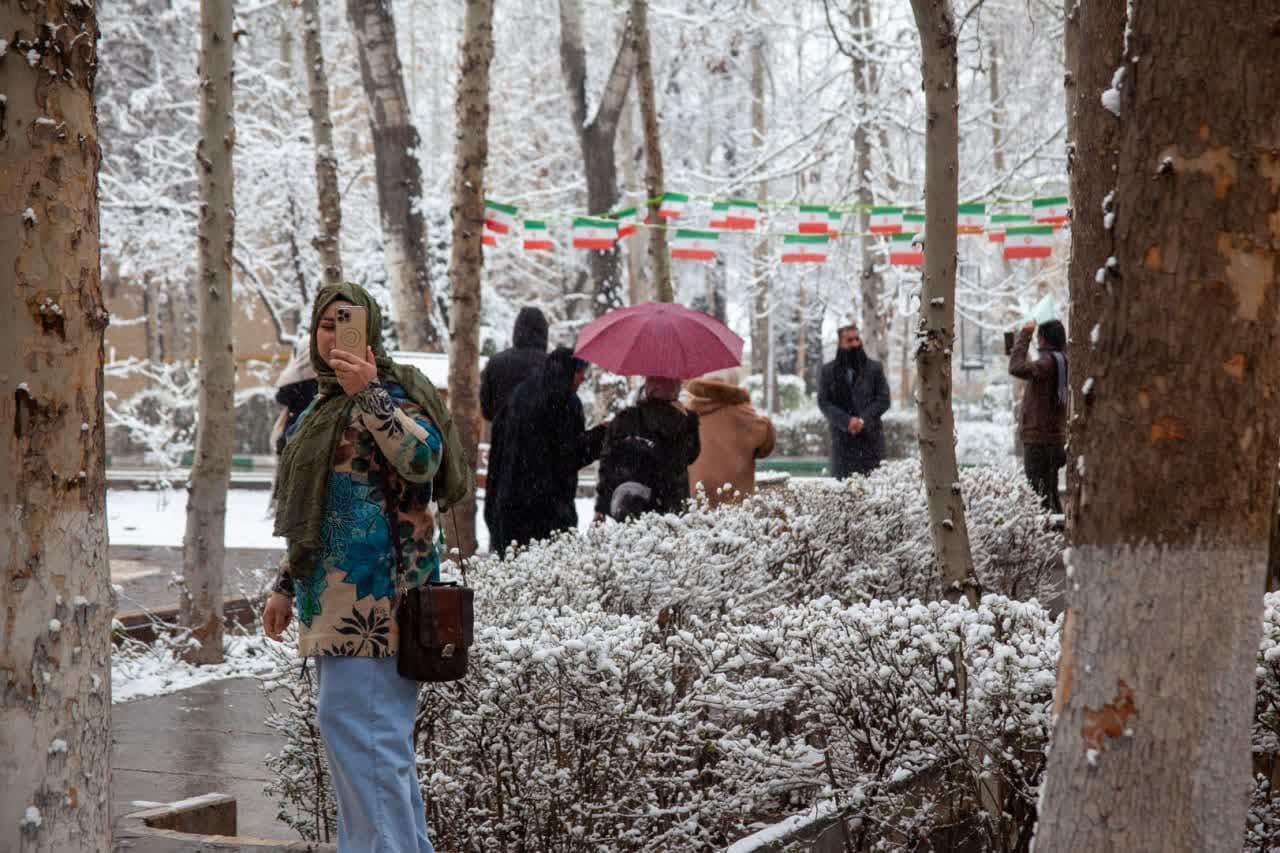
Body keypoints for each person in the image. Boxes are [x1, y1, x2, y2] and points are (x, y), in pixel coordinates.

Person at [262, 282, 451, 853]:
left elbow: (424, 459)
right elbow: (310, 511)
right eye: (326, 324)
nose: (333, 335)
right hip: (332, 606)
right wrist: (285, 585)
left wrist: (369, 394)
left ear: (370, 330)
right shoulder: (318, 409)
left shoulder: (394, 394)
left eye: (347, 322)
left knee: (368, 746)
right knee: (371, 750)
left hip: (382, 607)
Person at [483, 347, 607, 555]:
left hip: (511, 513)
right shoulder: (565, 403)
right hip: (549, 515)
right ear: (568, 371)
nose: (583, 378)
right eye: (580, 371)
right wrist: (601, 436)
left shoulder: (521, 394)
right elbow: (568, 456)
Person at [595, 376, 701, 521]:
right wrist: (688, 420)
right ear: (674, 390)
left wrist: (600, 508)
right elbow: (690, 455)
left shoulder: (624, 419)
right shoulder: (682, 422)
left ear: (648, 388)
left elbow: (607, 463)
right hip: (670, 509)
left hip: (627, 506)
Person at [685, 367, 776, 505]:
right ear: (733, 382)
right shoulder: (743, 415)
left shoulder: (688, 412)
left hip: (697, 500)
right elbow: (766, 442)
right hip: (735, 504)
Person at [1009, 318, 1068, 513]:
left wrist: (1025, 333)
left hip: (1039, 443)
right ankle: (1058, 530)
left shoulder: (1046, 364)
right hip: (1055, 441)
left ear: (1043, 338)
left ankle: (1049, 532)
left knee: (1040, 499)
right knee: (1051, 496)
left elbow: (1015, 367)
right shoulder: (1063, 361)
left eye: (1037, 336)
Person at [817, 325, 892, 478]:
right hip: (842, 445)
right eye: (849, 340)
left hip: (871, 444)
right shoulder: (828, 371)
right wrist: (847, 421)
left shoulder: (875, 369)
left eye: (857, 339)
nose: (855, 343)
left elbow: (884, 399)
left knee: (874, 488)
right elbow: (824, 402)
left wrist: (862, 420)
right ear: (840, 343)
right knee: (843, 490)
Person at [479, 306, 548, 422]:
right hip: (542, 432)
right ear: (544, 332)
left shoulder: (495, 363)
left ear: (517, 330)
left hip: (503, 432)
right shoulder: (552, 365)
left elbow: (486, 411)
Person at [270, 348, 318, 456]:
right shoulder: (319, 380)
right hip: (304, 434)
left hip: (295, 434)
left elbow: (281, 397)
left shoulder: (296, 380)